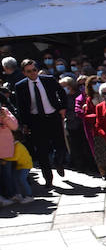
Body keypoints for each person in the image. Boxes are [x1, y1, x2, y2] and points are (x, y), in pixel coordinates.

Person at [13, 59, 67, 187]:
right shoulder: (21, 86)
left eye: (34, 70)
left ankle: (58, 161)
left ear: (37, 69)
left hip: (53, 116)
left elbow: (61, 92)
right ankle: (48, 178)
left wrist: (62, 107)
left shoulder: (48, 80)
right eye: (29, 71)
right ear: (24, 73)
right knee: (41, 151)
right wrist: (24, 124)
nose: (32, 73)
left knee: (60, 145)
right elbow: (21, 107)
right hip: (36, 120)